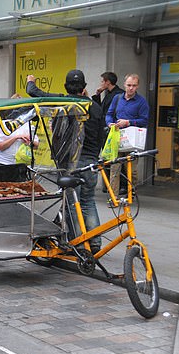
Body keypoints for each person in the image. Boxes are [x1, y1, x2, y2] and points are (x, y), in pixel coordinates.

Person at [28, 69, 105, 253]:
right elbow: (102, 135)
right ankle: (94, 242)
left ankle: (78, 242)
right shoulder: (95, 107)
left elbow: (35, 93)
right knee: (88, 201)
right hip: (91, 162)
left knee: (72, 202)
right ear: (84, 88)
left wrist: (31, 80)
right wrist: (94, 156)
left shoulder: (66, 103)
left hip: (71, 163)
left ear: (65, 87)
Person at [105, 73, 149, 195]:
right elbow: (109, 114)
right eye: (129, 85)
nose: (131, 88)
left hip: (132, 138)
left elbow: (144, 120)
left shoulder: (141, 102)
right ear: (124, 85)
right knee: (115, 167)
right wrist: (110, 123)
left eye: (134, 86)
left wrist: (128, 122)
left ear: (137, 86)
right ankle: (113, 197)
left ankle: (131, 193)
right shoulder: (117, 98)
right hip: (117, 136)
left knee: (131, 169)